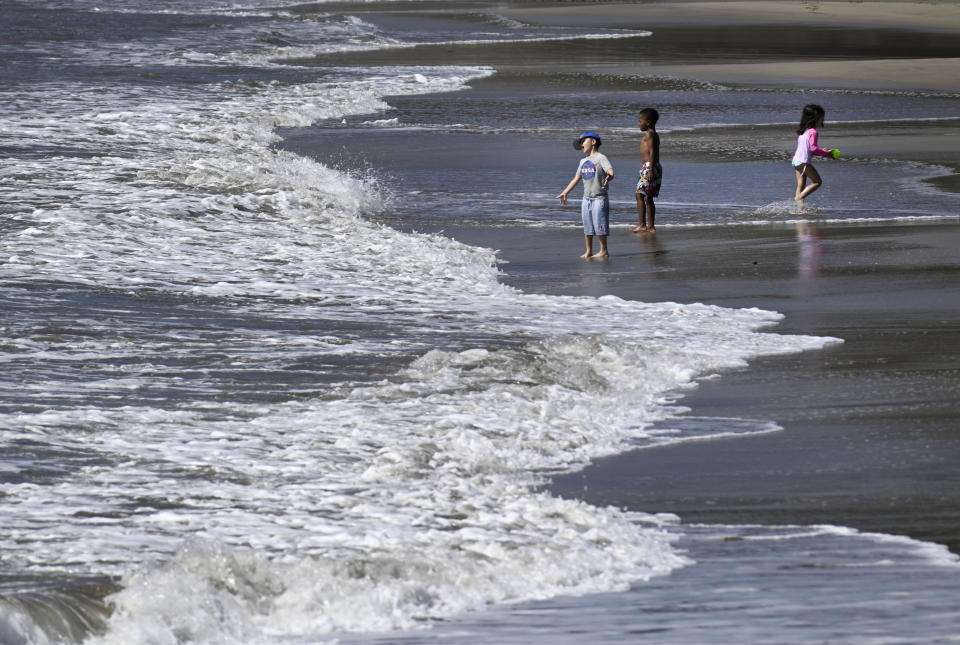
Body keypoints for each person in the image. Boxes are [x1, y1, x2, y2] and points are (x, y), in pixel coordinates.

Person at [556, 130, 614, 259]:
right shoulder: (583, 161)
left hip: (599, 198)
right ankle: (588, 250)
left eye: (583, 142)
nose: (581, 145)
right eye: (580, 143)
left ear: (593, 142)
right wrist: (565, 192)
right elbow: (576, 178)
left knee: (600, 224)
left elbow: (610, 171)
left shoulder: (601, 158)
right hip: (586, 199)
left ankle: (603, 250)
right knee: (587, 225)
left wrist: (609, 176)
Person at [792, 103, 839, 207]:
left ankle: (799, 209)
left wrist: (821, 150)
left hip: (796, 161)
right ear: (814, 119)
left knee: (801, 185)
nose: (822, 120)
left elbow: (808, 149)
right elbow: (813, 149)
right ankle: (798, 198)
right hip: (803, 162)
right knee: (817, 182)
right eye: (821, 118)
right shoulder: (813, 132)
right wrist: (827, 154)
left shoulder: (803, 131)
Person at [631, 108, 662, 234]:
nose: (639, 124)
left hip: (649, 167)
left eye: (640, 121)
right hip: (652, 166)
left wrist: (649, 170)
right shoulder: (653, 134)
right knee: (648, 197)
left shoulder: (649, 134)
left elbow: (652, 152)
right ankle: (650, 226)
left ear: (648, 123)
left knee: (640, 195)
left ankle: (643, 225)